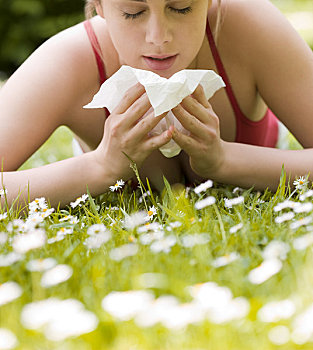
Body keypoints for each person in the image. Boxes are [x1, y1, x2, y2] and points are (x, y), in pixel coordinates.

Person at [0, 0, 313, 209]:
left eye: (181, 6)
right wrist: (100, 167)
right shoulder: (68, 61)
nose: (158, 37)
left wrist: (225, 160)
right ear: (100, 6)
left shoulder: (249, 24)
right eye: (133, 12)